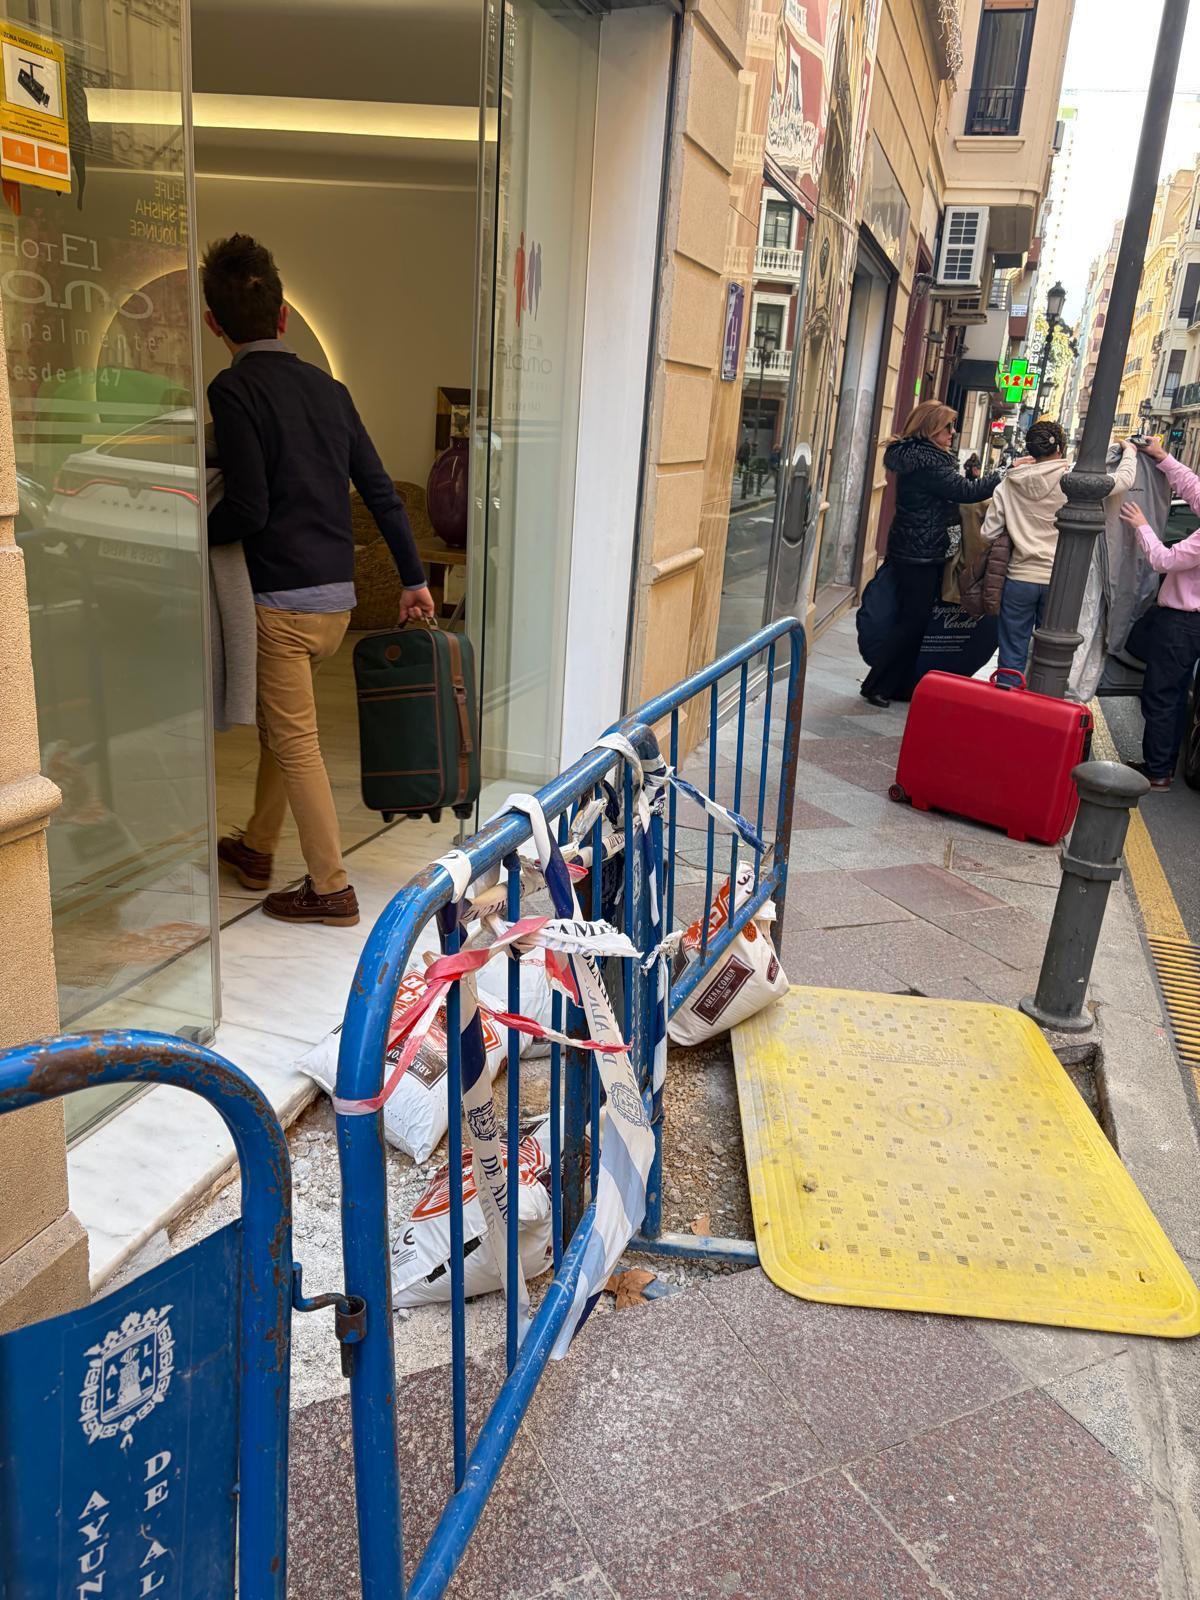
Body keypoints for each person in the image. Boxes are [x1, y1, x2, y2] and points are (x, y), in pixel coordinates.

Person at [204, 233, 434, 927]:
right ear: (282, 318)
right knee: (286, 731)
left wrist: (183, 534)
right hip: (337, 601)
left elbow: (247, 507)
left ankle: (330, 886)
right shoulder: (331, 391)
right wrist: (414, 579)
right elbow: (379, 492)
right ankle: (256, 847)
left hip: (279, 605)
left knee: (295, 741)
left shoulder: (233, 389)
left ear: (215, 325)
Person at [859, 402, 999, 707]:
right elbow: (966, 491)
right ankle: (876, 685)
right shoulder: (927, 462)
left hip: (918, 548)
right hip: (918, 553)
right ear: (929, 428)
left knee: (915, 620)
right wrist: (1005, 474)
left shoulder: (921, 457)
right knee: (912, 621)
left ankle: (898, 685)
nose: (952, 433)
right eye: (947, 427)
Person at [980, 424, 1137, 687]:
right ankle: (1040, 709)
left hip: (1019, 577)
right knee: (1050, 655)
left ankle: (1006, 706)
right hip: (1061, 582)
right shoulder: (1075, 481)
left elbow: (988, 532)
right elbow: (1123, 481)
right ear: (1061, 448)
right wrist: (1129, 451)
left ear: (1029, 449)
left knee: (1011, 652)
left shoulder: (1009, 483)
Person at [1119, 437, 1200, 790]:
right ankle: (1162, 763)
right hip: (1188, 622)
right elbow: (1194, 488)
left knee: (1163, 693)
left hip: (1183, 622)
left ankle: (1157, 770)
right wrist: (1163, 457)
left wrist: (1141, 524)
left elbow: (1163, 560)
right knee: (1179, 693)